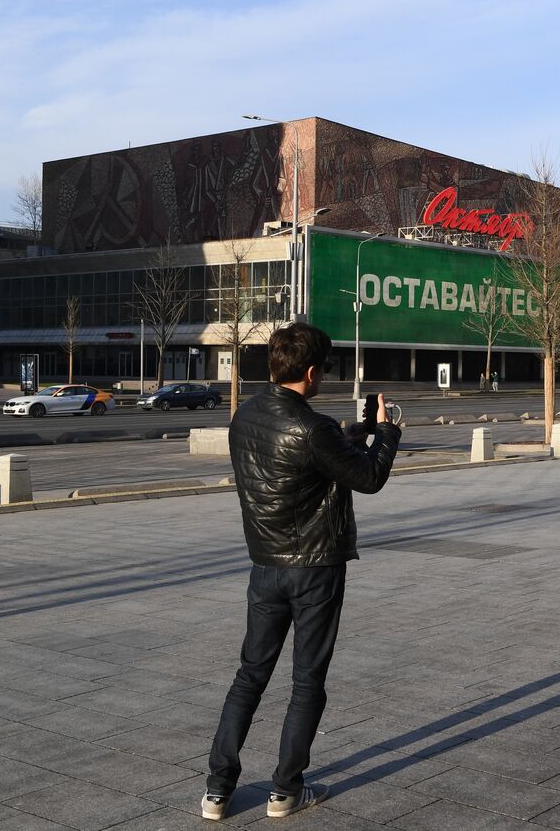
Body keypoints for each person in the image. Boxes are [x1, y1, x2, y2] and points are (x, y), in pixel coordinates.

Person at [203, 323, 401, 821]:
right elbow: (368, 477)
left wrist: (352, 433)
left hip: (265, 565)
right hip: (316, 568)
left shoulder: (244, 415)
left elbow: (311, 451)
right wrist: (388, 431)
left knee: (249, 676)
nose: (325, 377)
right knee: (307, 681)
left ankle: (217, 790)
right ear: (311, 372)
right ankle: (285, 790)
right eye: (325, 370)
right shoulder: (313, 429)